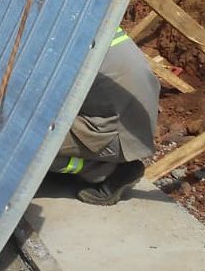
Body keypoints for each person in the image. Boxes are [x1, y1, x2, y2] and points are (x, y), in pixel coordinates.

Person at [48, 28, 161, 206]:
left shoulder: (50, 33)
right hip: (130, 118)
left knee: (23, 142)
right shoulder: (80, 13)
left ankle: (107, 171)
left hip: (115, 131)